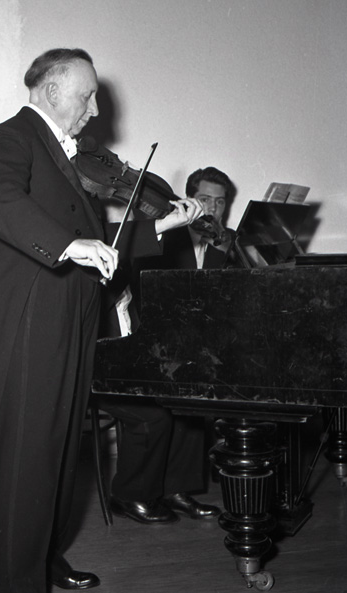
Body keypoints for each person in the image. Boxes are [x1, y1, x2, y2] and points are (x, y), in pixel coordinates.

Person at [0, 48, 205, 593]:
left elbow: (101, 242)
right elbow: (1, 202)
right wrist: (67, 244)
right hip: (34, 320)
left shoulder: (68, 154)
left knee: (57, 453)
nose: (96, 108)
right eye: (87, 95)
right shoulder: (12, 138)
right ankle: (16, 583)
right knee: (31, 456)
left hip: (74, 320)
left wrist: (162, 226)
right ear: (53, 91)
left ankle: (44, 561)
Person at [95, 167, 235, 525]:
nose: (212, 208)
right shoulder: (157, 244)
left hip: (155, 349)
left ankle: (177, 489)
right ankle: (132, 493)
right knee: (158, 410)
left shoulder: (222, 242)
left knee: (189, 397)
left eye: (220, 202)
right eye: (204, 199)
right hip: (122, 353)